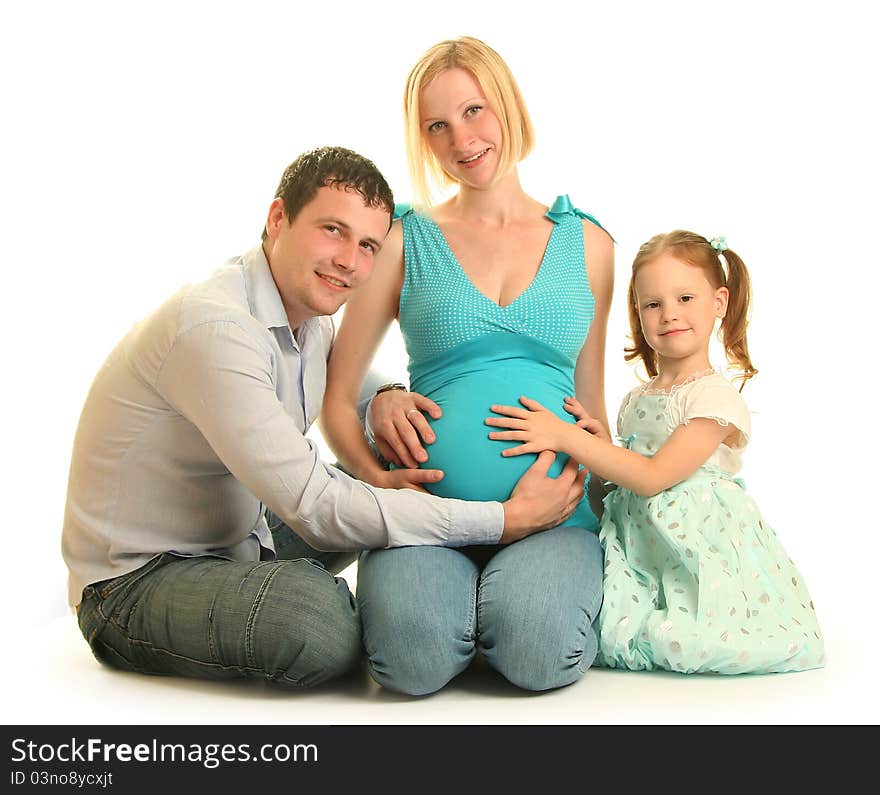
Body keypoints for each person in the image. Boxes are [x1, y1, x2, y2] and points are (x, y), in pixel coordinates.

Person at [61, 146, 587, 690]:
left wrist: (385, 395)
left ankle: (298, 594)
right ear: (277, 219)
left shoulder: (310, 319)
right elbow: (316, 506)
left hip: (242, 534)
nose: (349, 261)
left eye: (367, 246)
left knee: (370, 465)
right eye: (332, 230)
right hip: (138, 579)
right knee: (321, 625)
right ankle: (331, 604)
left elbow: (352, 387)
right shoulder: (215, 330)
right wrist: (502, 519)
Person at [321, 38, 615, 694]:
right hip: (428, 512)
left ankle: (507, 608)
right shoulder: (402, 239)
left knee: (540, 651)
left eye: (475, 109)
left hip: (555, 514)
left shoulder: (590, 244)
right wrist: (375, 476)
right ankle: (467, 613)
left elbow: (592, 408)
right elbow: (335, 396)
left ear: (506, 104)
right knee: (410, 661)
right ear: (423, 139)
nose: (463, 138)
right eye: (438, 125)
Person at [486, 231, 825, 674]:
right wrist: (597, 454)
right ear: (638, 314)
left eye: (685, 298)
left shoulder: (713, 399)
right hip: (643, 544)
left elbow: (652, 477)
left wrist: (569, 439)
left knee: (695, 631)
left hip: (692, 543)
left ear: (718, 302)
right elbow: (624, 484)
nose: (670, 315)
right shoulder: (637, 399)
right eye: (653, 304)